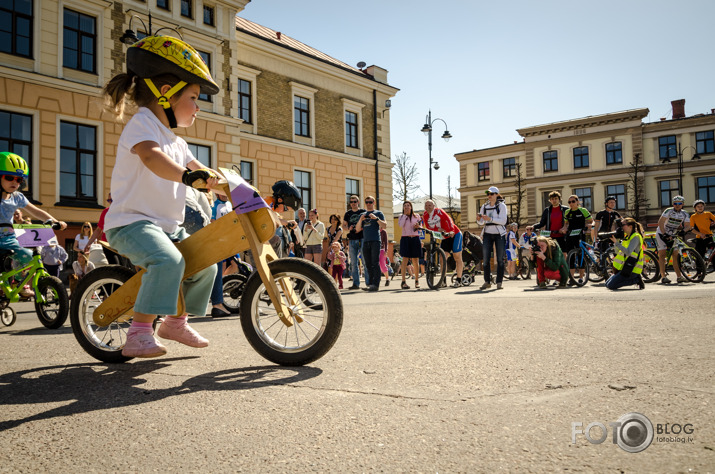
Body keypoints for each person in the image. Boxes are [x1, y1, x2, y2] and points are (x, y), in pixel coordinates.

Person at [101, 34, 223, 358]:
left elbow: (202, 170)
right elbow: (152, 158)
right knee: (168, 260)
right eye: (194, 97)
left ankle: (174, 322)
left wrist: (226, 184)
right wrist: (186, 176)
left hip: (167, 226)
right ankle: (138, 332)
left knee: (206, 260)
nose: (198, 108)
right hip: (131, 222)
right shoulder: (143, 124)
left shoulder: (177, 141)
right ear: (166, 94)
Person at [0, 152, 67, 297]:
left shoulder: (17, 197)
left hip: (9, 238)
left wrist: (55, 221)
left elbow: (36, 211)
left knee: (28, 256)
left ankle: (18, 283)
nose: (15, 183)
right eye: (9, 178)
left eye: (19, 180)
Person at [423, 199, 465, 288]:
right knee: (442, 258)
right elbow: (428, 227)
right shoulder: (425, 215)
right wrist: (438, 230)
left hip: (455, 234)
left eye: (429, 205)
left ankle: (459, 279)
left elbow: (449, 220)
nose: (427, 207)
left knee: (457, 256)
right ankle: (443, 281)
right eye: (426, 205)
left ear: (434, 206)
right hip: (444, 237)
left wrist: (451, 231)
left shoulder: (439, 212)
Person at [475, 187, 507, 289]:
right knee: (486, 259)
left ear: (497, 194)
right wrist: (478, 219)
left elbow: (503, 221)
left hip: (499, 234)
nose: (489, 195)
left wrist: (490, 218)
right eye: (488, 193)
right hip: (487, 233)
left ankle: (499, 282)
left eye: (492, 194)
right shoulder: (484, 206)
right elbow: (481, 223)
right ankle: (487, 281)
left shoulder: (502, 206)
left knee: (500, 259)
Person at [654, 195, 691, 284]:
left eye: (679, 203)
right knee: (662, 255)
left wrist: (683, 231)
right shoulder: (668, 211)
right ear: (673, 204)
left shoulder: (685, 213)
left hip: (672, 234)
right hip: (661, 233)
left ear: (683, 204)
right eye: (675, 203)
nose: (677, 205)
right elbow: (660, 222)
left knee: (675, 255)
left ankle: (679, 277)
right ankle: (663, 277)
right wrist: (664, 234)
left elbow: (688, 225)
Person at [355, 195, 386, 292]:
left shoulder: (378, 213)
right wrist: (361, 220)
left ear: (374, 203)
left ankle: (375, 284)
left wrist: (376, 219)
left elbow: (384, 226)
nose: (368, 204)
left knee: (375, 263)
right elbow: (357, 229)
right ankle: (371, 284)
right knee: (367, 264)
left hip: (375, 241)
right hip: (366, 241)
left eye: (370, 202)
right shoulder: (362, 215)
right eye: (367, 202)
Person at [605, 217, 646, 290]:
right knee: (607, 284)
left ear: (630, 226)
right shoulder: (627, 237)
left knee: (611, 286)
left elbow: (628, 252)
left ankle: (636, 280)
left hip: (633, 269)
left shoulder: (635, 237)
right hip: (625, 267)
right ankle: (634, 278)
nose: (621, 227)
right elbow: (620, 252)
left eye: (623, 225)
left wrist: (616, 243)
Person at [562, 195, 593, 284]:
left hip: (580, 235)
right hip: (570, 236)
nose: (571, 203)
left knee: (580, 256)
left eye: (573, 201)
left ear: (577, 202)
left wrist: (590, 226)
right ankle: (571, 278)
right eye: (569, 202)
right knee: (570, 257)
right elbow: (566, 224)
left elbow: (592, 221)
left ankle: (580, 277)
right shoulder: (567, 212)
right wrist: (564, 229)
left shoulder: (583, 210)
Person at [591, 196, 621, 272]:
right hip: (602, 236)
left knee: (615, 252)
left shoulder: (615, 213)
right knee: (604, 253)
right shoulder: (600, 214)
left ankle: (613, 268)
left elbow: (624, 222)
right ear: (606, 204)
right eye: (611, 202)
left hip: (611, 235)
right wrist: (595, 239)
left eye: (614, 202)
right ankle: (601, 267)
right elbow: (596, 227)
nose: (612, 204)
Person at [85, 194, 116, 267]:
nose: (110, 202)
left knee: (124, 266)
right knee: (115, 265)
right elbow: (98, 230)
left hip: (120, 243)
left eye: (112, 200)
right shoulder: (106, 212)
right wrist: (89, 243)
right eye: (108, 200)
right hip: (107, 245)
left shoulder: (123, 211)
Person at [397, 200, 421, 289]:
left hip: (415, 238)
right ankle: (403, 282)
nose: (407, 207)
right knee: (405, 260)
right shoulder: (401, 216)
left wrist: (417, 227)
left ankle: (417, 280)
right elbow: (401, 225)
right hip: (405, 238)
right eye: (405, 206)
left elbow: (420, 227)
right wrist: (404, 216)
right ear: (403, 208)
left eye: (408, 205)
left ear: (411, 207)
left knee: (415, 260)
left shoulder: (417, 216)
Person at [343, 195, 365, 290]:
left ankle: (368, 283)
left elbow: (367, 223)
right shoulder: (347, 214)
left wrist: (361, 228)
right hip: (352, 239)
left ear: (358, 202)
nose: (353, 203)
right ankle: (356, 284)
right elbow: (343, 226)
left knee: (364, 261)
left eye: (355, 201)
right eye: (351, 202)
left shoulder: (363, 212)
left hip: (362, 238)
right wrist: (348, 228)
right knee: (353, 263)